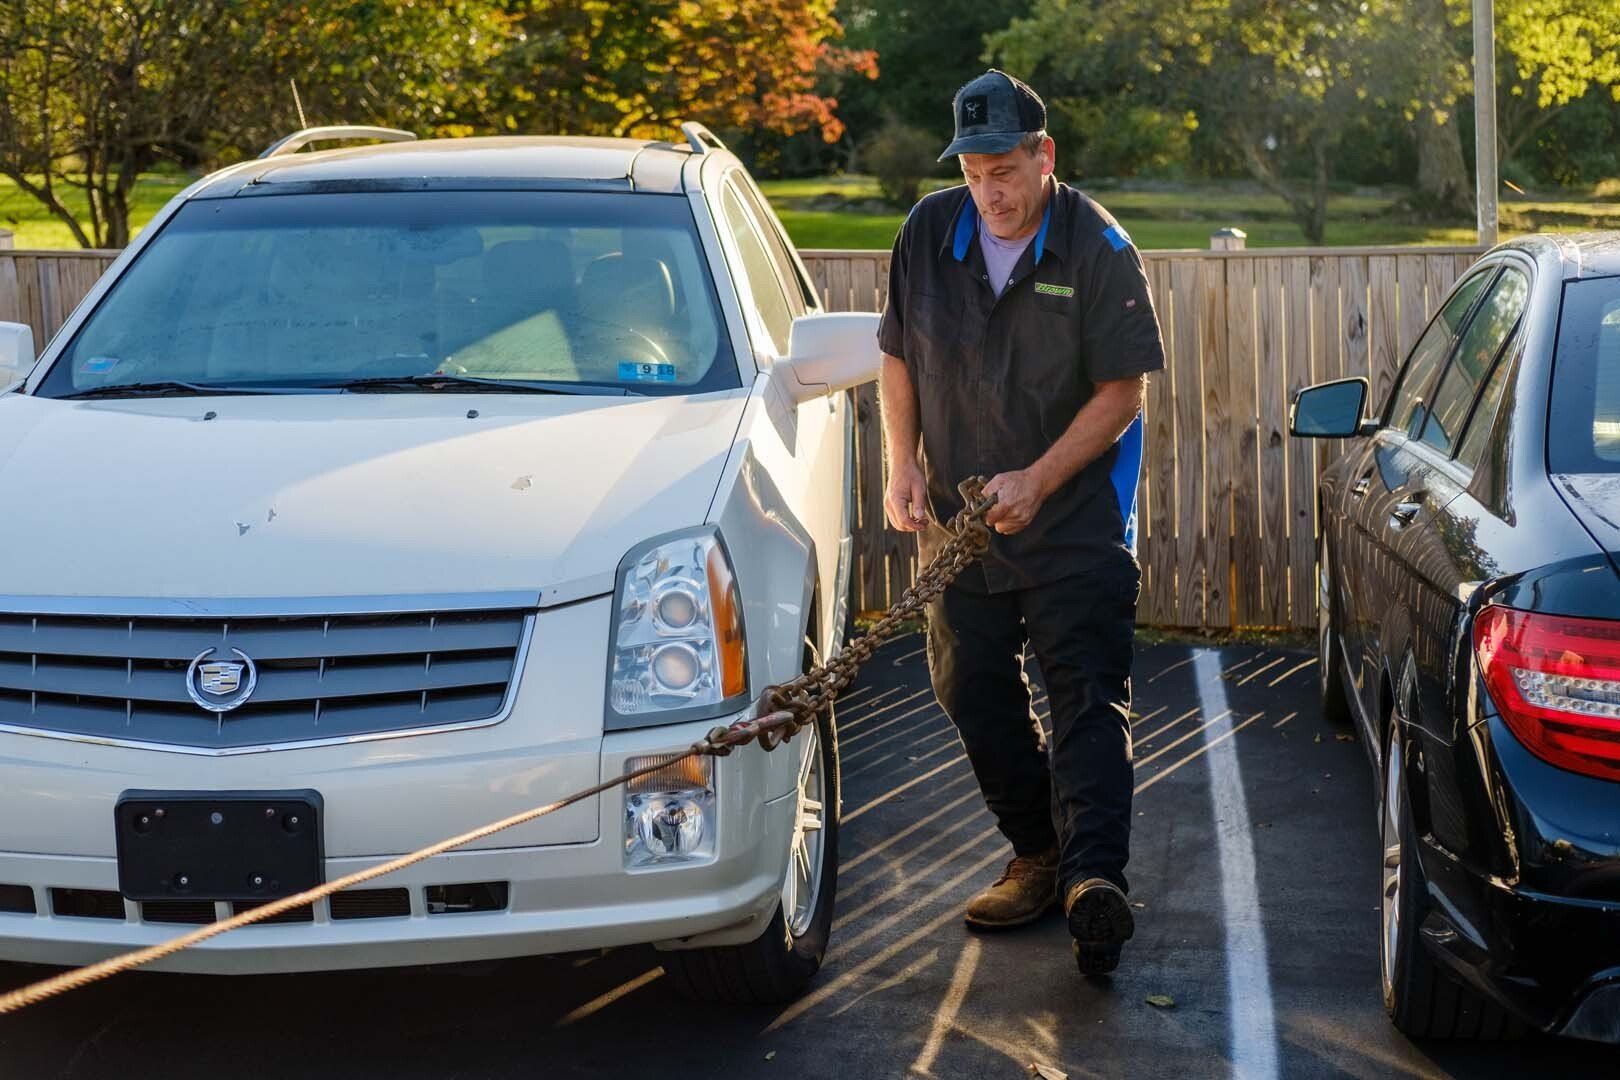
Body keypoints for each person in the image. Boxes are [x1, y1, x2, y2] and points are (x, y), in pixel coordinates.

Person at [875, 69, 1165, 976]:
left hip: (1073, 517)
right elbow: (897, 358)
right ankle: (1039, 853)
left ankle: (1093, 885)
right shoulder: (927, 232)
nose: (989, 192)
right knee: (970, 688)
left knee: (1085, 696)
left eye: (1004, 169)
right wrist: (903, 463)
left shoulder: (1098, 245)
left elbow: (1124, 391)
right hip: (960, 527)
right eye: (973, 172)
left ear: (1045, 156)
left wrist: (1039, 480)